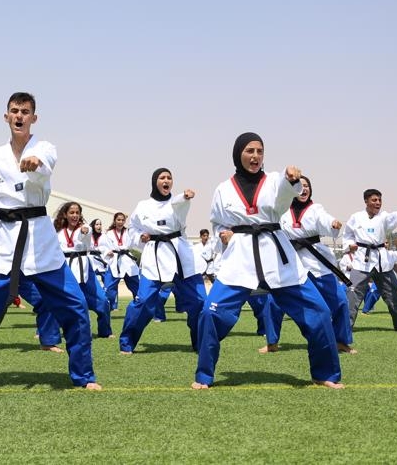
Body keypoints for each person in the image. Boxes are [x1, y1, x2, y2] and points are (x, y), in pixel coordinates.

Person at [0, 92, 100, 390]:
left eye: (25, 111)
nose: (19, 116)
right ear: (6, 117)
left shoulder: (44, 147)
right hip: (2, 241)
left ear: (33, 118)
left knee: (76, 307)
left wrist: (36, 163)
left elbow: (47, 163)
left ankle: (84, 376)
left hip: (39, 239)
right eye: (14, 111)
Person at [193, 132, 342, 390]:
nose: (255, 156)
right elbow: (217, 222)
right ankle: (204, 376)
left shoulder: (275, 180)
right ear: (238, 153)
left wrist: (290, 180)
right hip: (240, 259)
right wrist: (222, 234)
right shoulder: (223, 188)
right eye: (249, 151)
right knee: (210, 313)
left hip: (277, 257)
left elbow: (284, 199)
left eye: (259, 151)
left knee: (319, 312)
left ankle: (324, 373)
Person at [120, 168, 205, 354]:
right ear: (154, 181)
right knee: (142, 302)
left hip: (180, 255)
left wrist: (186, 195)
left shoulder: (176, 203)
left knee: (199, 301)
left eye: (169, 178)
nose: (166, 180)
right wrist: (139, 237)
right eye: (162, 177)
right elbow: (131, 229)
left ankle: (200, 343)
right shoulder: (142, 206)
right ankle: (127, 342)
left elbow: (180, 203)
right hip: (154, 256)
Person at [280, 175, 355, 354]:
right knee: (273, 303)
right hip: (291, 261)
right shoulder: (281, 209)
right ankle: (272, 342)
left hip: (316, 261)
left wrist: (333, 223)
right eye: (299, 185)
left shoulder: (316, 208)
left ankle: (341, 341)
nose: (304, 189)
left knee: (340, 300)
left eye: (307, 186)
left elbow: (324, 218)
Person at [343, 189, 397, 332]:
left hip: (381, 259)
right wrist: (349, 245)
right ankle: (345, 328)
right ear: (366, 201)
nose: (378, 203)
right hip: (362, 259)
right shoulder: (356, 217)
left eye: (380, 200)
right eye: (374, 200)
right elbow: (348, 234)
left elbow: (391, 218)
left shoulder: (383, 216)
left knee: (394, 293)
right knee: (353, 293)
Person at [55, 202, 112, 338]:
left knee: (102, 300)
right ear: (65, 214)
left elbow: (86, 232)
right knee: (58, 300)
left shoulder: (86, 228)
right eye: (71, 213)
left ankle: (105, 331)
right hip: (66, 268)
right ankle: (48, 331)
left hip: (84, 268)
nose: (75, 215)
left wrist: (83, 231)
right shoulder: (58, 232)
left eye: (77, 213)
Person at [102, 212, 140, 312]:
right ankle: (108, 308)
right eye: (118, 220)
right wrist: (107, 252)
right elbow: (103, 246)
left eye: (123, 220)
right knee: (109, 289)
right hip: (115, 260)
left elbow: (135, 241)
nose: (120, 222)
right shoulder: (109, 233)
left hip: (127, 260)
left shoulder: (129, 232)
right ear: (114, 221)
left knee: (137, 287)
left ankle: (139, 308)